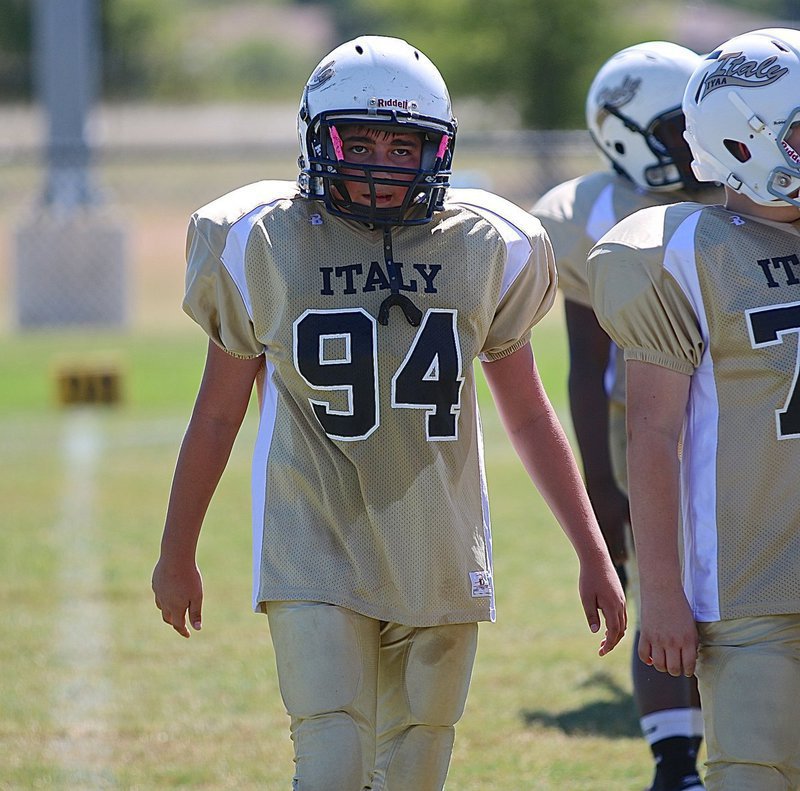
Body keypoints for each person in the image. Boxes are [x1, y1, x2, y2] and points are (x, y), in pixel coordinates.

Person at [151, 35, 626, 791]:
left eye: (402, 145)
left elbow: (530, 414)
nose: (377, 162)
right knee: (332, 765)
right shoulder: (260, 239)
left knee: (412, 774)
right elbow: (216, 415)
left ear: (435, 152)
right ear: (316, 139)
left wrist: (593, 549)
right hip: (314, 541)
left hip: (439, 548)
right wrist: (178, 547)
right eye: (357, 140)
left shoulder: (488, 244)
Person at [587, 27, 800, 790]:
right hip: (744, 584)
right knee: (752, 771)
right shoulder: (678, 250)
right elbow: (652, 433)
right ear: (741, 144)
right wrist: (665, 592)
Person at [531, 41, 720, 791]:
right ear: (623, 134)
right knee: (662, 585)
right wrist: (600, 482)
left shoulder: (740, 191)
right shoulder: (589, 214)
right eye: (674, 128)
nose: (690, 141)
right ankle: (675, 761)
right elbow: (585, 365)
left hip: (736, 417)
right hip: (638, 423)